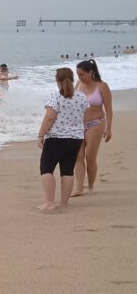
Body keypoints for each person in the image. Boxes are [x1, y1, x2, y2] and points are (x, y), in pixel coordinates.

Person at [36, 67, 89, 212]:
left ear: (57, 80)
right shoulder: (81, 97)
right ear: (72, 79)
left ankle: (49, 202)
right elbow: (84, 115)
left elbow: (50, 117)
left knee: (46, 168)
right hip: (76, 138)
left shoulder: (56, 96)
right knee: (67, 170)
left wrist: (41, 134)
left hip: (56, 138)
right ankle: (64, 203)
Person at [72, 58, 113, 196]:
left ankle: (90, 185)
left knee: (90, 156)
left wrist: (109, 128)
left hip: (96, 123)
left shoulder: (102, 86)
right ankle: (79, 188)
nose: (79, 77)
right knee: (78, 156)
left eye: (82, 74)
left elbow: (109, 109)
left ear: (90, 72)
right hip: (79, 124)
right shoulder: (78, 85)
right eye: (78, 74)